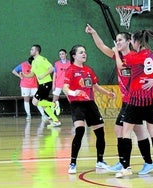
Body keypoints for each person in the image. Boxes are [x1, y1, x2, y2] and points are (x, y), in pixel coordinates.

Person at [85, 24, 153, 175]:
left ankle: (126, 163)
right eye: (116, 40)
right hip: (128, 101)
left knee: (122, 129)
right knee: (138, 132)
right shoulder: (117, 55)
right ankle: (145, 162)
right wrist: (94, 33)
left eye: (120, 40)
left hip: (134, 100)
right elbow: (101, 46)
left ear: (128, 42)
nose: (117, 43)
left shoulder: (133, 56)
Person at [113, 30, 153, 177]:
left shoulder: (133, 56)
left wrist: (115, 51)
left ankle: (126, 168)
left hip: (136, 99)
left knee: (126, 133)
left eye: (131, 40)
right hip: (151, 99)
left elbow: (120, 66)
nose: (131, 43)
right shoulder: (152, 54)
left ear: (137, 41)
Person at [63, 44, 116, 174]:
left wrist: (107, 93)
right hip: (77, 104)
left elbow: (96, 86)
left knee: (100, 133)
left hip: (90, 104)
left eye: (85, 52)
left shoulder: (89, 70)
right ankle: (73, 163)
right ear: (74, 55)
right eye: (81, 52)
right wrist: (73, 92)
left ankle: (100, 161)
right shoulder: (70, 70)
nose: (84, 54)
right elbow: (65, 87)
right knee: (80, 131)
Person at [21, 44, 61, 127]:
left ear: (37, 51)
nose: (30, 51)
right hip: (42, 84)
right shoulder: (34, 61)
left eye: (32, 49)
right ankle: (56, 121)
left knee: (35, 102)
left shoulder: (42, 59)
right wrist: (24, 75)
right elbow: (32, 74)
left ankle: (54, 105)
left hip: (46, 83)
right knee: (43, 104)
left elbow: (51, 68)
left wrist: (43, 75)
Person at [12, 56, 48, 121]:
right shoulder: (22, 65)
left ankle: (43, 114)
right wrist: (20, 76)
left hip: (34, 85)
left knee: (37, 100)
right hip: (25, 85)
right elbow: (14, 71)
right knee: (26, 100)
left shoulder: (37, 65)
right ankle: (28, 115)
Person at [52, 49, 71, 114]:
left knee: (70, 98)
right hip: (58, 84)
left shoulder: (70, 63)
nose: (61, 55)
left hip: (67, 84)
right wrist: (53, 84)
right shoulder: (56, 63)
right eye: (60, 54)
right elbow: (54, 74)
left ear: (66, 54)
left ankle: (75, 111)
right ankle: (52, 113)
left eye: (62, 54)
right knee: (54, 99)